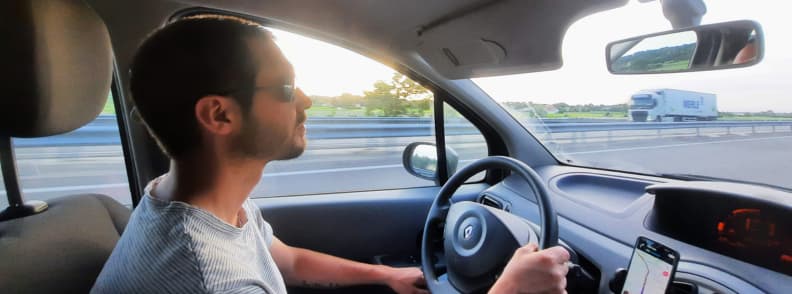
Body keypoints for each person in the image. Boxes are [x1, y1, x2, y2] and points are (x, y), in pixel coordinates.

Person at [92, 15, 570, 294]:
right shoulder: (211, 278)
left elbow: (287, 260)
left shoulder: (186, 200)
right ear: (219, 115)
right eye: (286, 88)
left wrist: (385, 275)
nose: (305, 101)